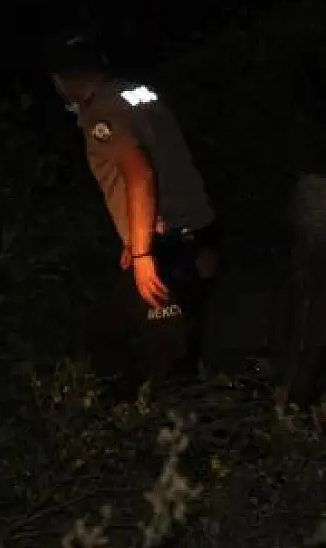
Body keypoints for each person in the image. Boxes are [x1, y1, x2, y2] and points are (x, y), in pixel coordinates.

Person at [47, 33, 220, 391]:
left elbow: (140, 174)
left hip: (168, 246)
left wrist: (142, 253)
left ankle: (155, 415)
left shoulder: (101, 111)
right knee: (115, 331)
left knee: (166, 363)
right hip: (194, 232)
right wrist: (134, 237)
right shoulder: (138, 94)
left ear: (62, 81)